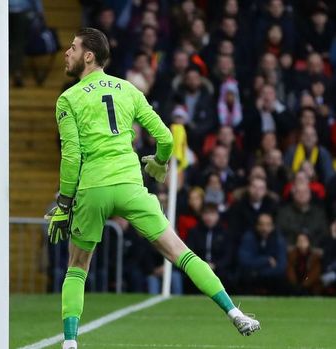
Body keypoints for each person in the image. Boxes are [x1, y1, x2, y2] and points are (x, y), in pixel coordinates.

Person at [46, 28, 260, 349]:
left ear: (89, 56)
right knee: (180, 253)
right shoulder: (128, 90)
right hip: (131, 185)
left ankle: (70, 343)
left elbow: (72, 155)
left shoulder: (69, 98)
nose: (67, 53)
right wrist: (159, 164)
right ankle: (234, 313)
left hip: (93, 187)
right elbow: (166, 139)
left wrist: (64, 204)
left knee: (77, 267)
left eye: (73, 48)